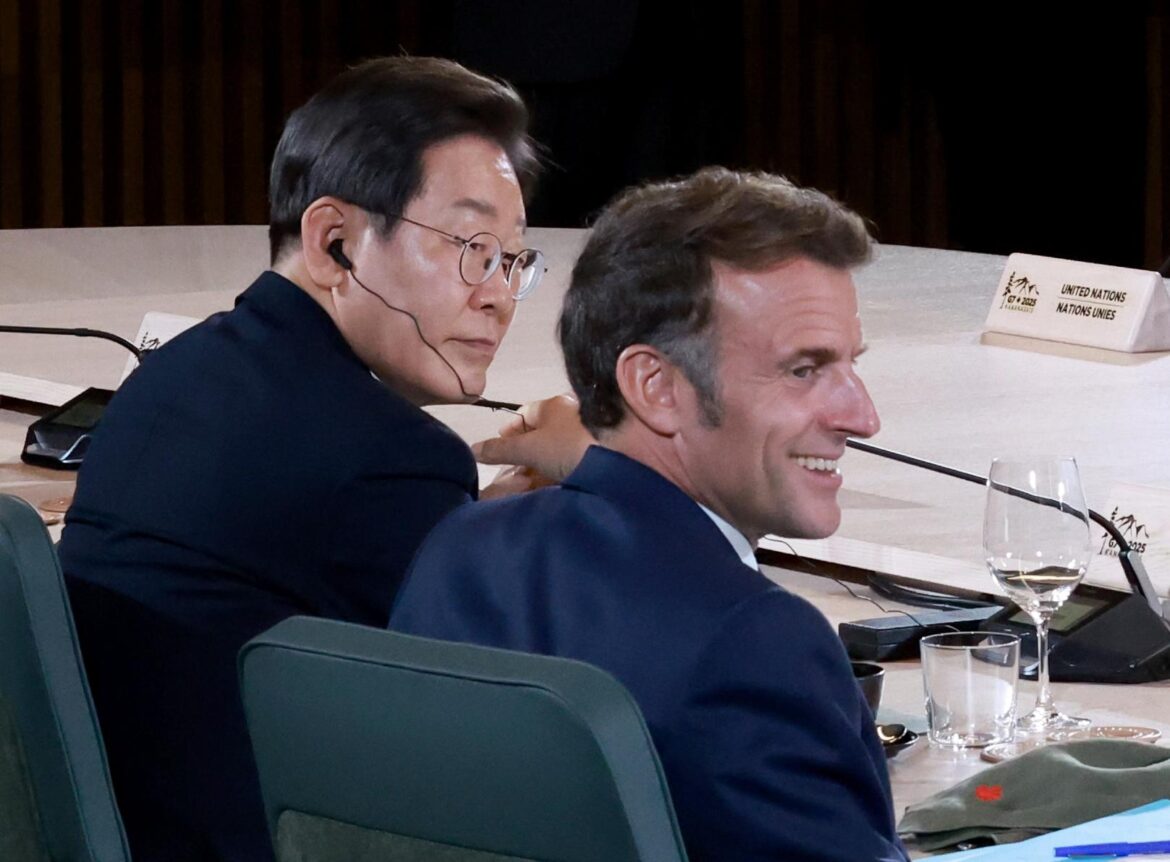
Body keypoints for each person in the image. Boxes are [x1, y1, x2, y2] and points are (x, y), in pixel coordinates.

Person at [59, 56, 583, 862]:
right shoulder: (392, 460)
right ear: (334, 242)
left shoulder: (171, 376)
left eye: (514, 259)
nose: (500, 293)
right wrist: (619, 480)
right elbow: (534, 730)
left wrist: (473, 535)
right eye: (474, 247)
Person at [391, 167, 909, 862]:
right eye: (805, 369)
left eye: (851, 363)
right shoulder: (758, 640)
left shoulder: (462, 549)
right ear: (656, 387)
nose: (863, 416)